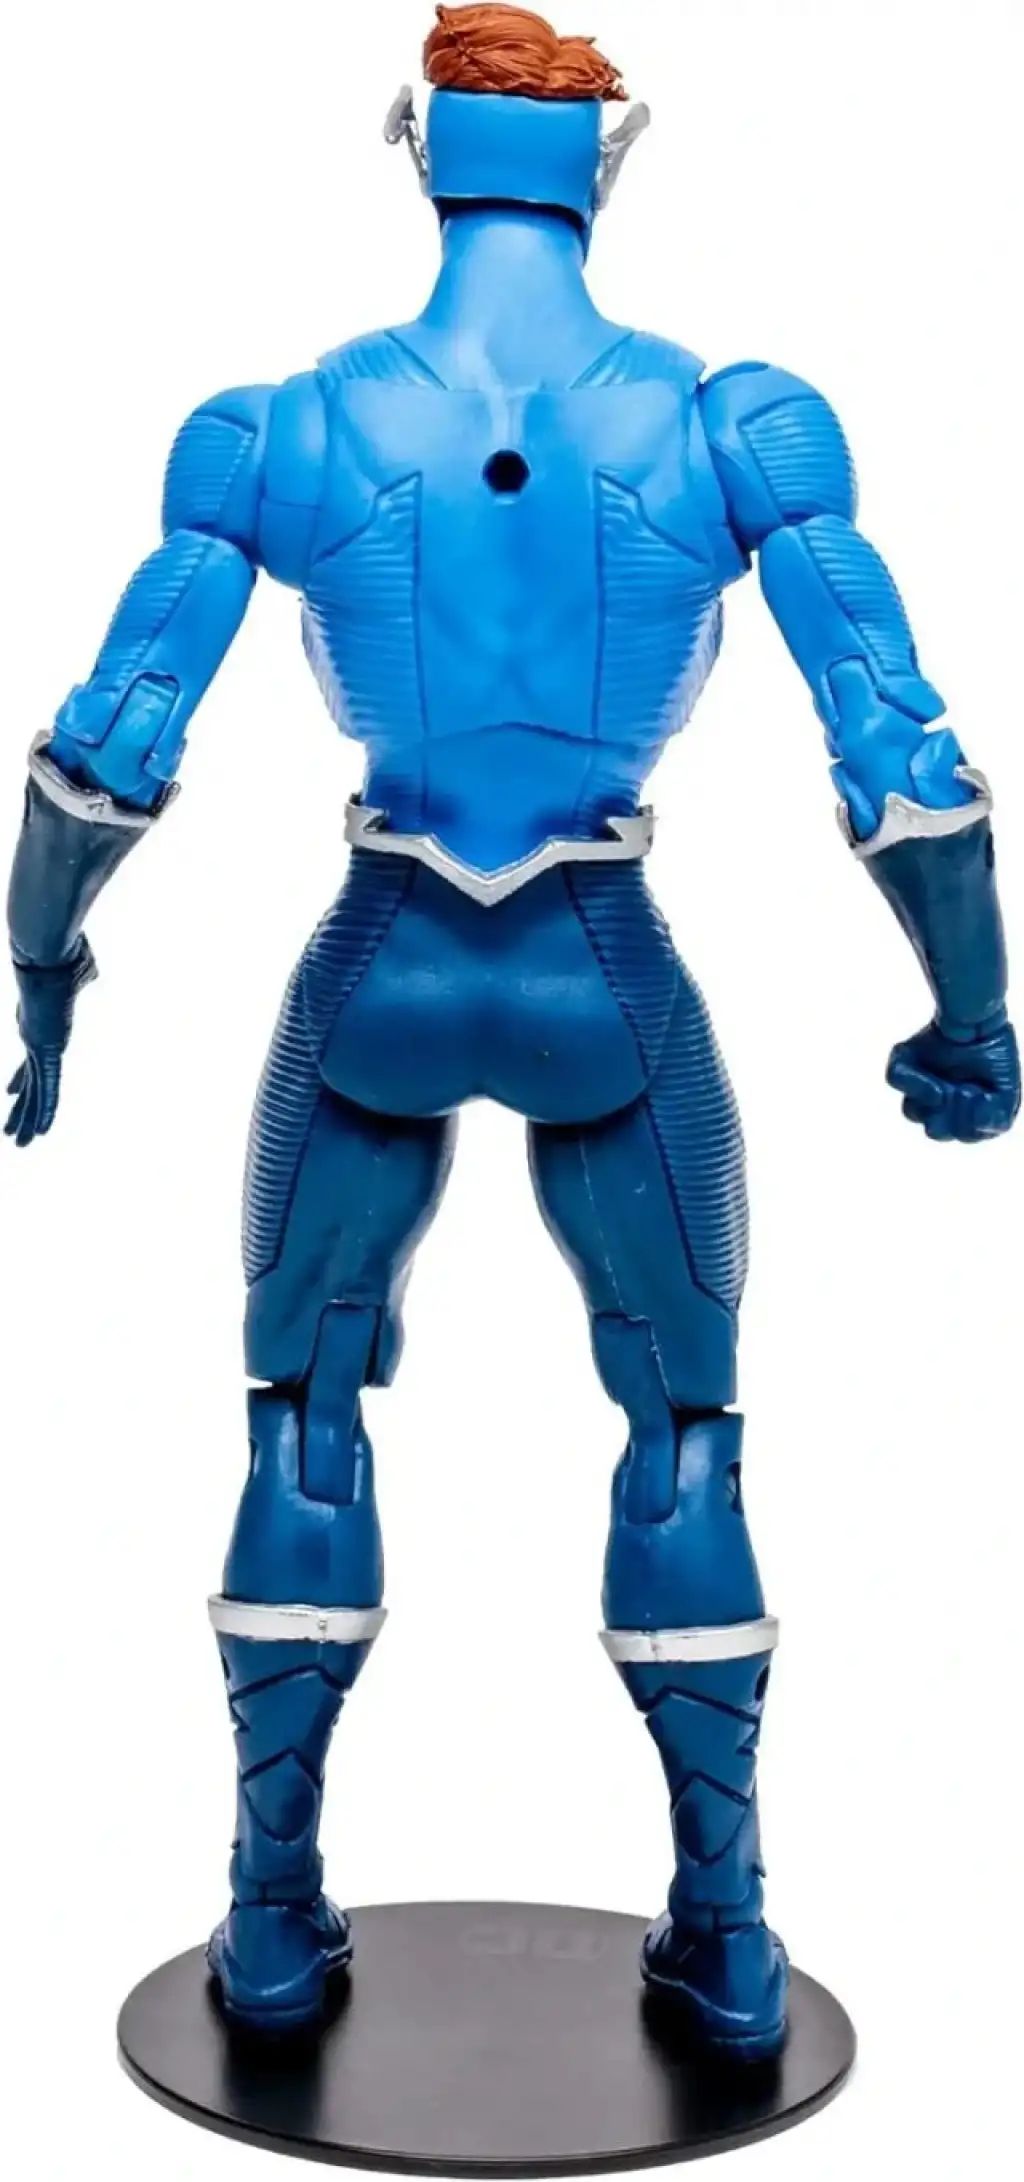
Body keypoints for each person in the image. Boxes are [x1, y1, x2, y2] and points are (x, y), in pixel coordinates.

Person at [6, 4, 1018, 2058]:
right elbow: (903, 761)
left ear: (421, 150)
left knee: (299, 1413)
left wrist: (41, 971)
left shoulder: (285, 430)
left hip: (383, 956)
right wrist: (970, 1009)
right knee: (686, 1428)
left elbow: (106, 747)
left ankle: (267, 1925)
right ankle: (726, 1935)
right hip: (596, 964)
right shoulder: (729, 426)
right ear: (602, 161)